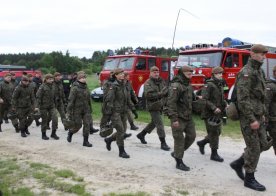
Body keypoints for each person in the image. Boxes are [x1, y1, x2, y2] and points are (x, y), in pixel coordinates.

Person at [230, 44, 269, 192]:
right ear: (252, 54)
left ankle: (239, 163)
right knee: (254, 147)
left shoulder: (259, 72)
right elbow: (243, 99)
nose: (263, 57)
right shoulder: (246, 72)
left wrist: (263, 114)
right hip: (249, 116)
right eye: (261, 54)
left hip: (258, 114)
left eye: (264, 54)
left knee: (263, 144)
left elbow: (261, 96)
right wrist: (252, 119)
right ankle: (249, 178)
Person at [167, 66, 196, 171]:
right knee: (179, 140)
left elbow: (191, 98)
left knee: (192, 136)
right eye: (187, 72)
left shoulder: (188, 84)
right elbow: (171, 103)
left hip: (188, 116)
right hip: (178, 117)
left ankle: (176, 153)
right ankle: (179, 162)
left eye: (191, 72)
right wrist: (174, 119)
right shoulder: (176, 85)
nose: (190, 73)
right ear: (181, 73)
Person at [197, 66, 227, 162]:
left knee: (217, 132)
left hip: (218, 113)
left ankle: (202, 142)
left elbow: (222, 98)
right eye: (218, 73)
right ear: (213, 74)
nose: (220, 75)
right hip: (209, 113)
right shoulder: (209, 85)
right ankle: (214, 154)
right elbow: (204, 99)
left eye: (221, 73)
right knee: (214, 133)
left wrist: (226, 104)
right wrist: (214, 108)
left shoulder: (220, 84)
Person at [103, 68, 136, 158]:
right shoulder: (113, 86)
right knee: (121, 131)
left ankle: (109, 139)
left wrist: (133, 109)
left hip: (123, 112)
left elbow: (128, 99)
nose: (122, 75)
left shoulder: (124, 85)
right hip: (115, 113)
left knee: (122, 131)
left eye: (122, 73)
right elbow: (109, 100)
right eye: (120, 74)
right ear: (116, 75)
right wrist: (109, 114)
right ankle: (122, 151)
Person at [136, 66, 170, 151]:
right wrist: (161, 94)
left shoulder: (161, 81)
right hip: (153, 106)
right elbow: (148, 95)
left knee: (154, 123)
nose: (156, 74)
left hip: (161, 105)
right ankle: (163, 143)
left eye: (157, 72)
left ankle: (141, 134)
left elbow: (165, 90)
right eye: (154, 72)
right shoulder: (148, 83)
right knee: (160, 124)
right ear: (150, 73)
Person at [66, 71, 93, 147]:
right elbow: (71, 100)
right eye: (81, 78)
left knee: (87, 124)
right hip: (77, 110)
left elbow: (88, 99)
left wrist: (90, 109)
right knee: (78, 125)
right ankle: (71, 132)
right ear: (78, 79)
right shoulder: (75, 88)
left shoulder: (86, 87)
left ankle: (85, 141)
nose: (83, 79)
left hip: (86, 109)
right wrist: (68, 111)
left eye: (84, 77)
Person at [36, 74, 59, 140]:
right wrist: (37, 106)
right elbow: (38, 97)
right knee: (44, 120)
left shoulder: (53, 86)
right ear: (46, 79)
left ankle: (53, 133)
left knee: (55, 118)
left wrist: (56, 104)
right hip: (43, 106)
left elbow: (55, 96)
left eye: (52, 79)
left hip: (52, 106)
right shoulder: (42, 87)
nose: (51, 80)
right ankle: (43, 134)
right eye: (49, 79)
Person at [265, 65, 276, 155]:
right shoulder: (270, 86)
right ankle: (242, 160)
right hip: (273, 120)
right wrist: (266, 120)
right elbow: (265, 103)